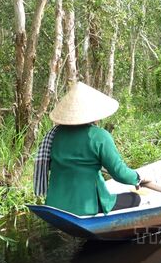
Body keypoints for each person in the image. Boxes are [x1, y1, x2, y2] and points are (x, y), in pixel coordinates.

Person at [33, 82, 149, 216]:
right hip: (86, 207)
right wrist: (137, 177)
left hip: (55, 205)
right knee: (135, 198)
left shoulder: (54, 135)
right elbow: (119, 173)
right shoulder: (100, 136)